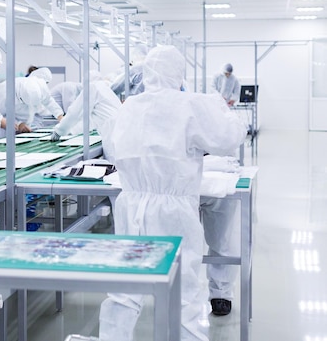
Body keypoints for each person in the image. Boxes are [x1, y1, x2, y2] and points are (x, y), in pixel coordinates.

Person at [99, 46, 246, 341]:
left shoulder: (129, 106)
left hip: (130, 205)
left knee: (124, 290)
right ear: (178, 73)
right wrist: (221, 109)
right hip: (173, 211)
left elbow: (112, 148)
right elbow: (227, 139)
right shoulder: (188, 104)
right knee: (184, 292)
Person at [0, 74, 64, 136]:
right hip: (7, 129)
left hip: (26, 128)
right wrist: (18, 124)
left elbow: (49, 102)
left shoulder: (40, 85)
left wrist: (60, 117)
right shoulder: (5, 90)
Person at [49, 80, 121, 140]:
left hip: (110, 136)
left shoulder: (92, 88)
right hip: (117, 134)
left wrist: (60, 130)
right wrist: (72, 131)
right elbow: (92, 120)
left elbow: (74, 113)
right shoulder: (105, 90)